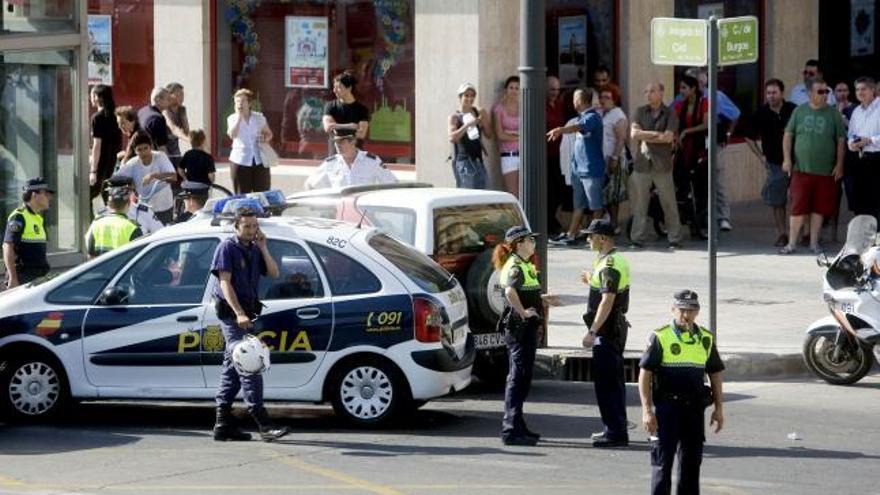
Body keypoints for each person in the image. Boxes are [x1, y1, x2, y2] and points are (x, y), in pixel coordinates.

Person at [210, 207, 290, 442]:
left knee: (232, 366)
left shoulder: (254, 249)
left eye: (255, 226)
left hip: (247, 314)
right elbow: (225, 283)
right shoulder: (227, 247)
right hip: (233, 316)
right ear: (236, 227)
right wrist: (239, 313)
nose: (251, 230)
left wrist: (264, 247)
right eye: (246, 226)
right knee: (249, 361)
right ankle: (263, 422)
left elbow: (274, 273)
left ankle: (222, 424)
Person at [638, 290, 725, 495]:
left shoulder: (705, 338)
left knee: (691, 464)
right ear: (673, 310)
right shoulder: (661, 336)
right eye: (682, 309)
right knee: (662, 463)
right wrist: (647, 411)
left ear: (697, 312)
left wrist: (719, 408)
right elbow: (645, 374)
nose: (686, 314)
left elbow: (715, 373)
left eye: (691, 310)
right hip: (667, 408)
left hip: (694, 409)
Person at [494, 225, 559, 446]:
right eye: (530, 240)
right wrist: (523, 312)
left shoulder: (524, 265)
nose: (534, 243)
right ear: (519, 243)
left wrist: (541, 299)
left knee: (523, 377)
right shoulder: (514, 265)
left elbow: (524, 291)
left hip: (527, 329)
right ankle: (511, 429)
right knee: (517, 378)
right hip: (519, 328)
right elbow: (510, 291)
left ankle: (518, 425)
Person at [780, 78, 846, 254]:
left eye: (826, 91)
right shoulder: (799, 111)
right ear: (810, 93)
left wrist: (839, 164)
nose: (825, 95)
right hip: (801, 170)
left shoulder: (833, 114)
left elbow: (840, 140)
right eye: (820, 91)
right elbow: (788, 135)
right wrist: (787, 159)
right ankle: (791, 243)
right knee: (798, 208)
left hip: (825, 171)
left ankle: (814, 243)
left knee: (819, 209)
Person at [580, 219, 631, 448]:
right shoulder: (607, 261)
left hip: (607, 331)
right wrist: (590, 280)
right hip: (610, 329)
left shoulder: (610, 264)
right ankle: (614, 428)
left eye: (591, 236)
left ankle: (616, 432)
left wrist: (592, 331)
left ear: (602, 238)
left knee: (608, 384)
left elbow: (607, 300)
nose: (588, 240)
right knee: (610, 382)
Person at [546, 88, 605, 247]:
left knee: (596, 206)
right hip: (578, 170)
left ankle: (596, 237)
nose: (572, 102)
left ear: (579, 101)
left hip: (592, 170)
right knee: (578, 205)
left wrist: (560, 130)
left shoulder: (592, 117)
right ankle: (571, 234)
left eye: (574, 99)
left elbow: (578, 127)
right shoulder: (582, 117)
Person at [629, 82, 684, 249]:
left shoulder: (670, 113)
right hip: (642, 164)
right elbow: (634, 134)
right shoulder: (639, 111)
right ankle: (637, 238)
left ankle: (674, 238)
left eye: (652, 91)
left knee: (668, 202)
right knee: (640, 204)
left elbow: (669, 138)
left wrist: (646, 136)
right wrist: (657, 135)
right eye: (646, 91)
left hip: (662, 164)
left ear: (661, 93)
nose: (648, 94)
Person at [745, 79, 797, 247]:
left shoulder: (793, 109)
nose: (771, 96)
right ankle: (782, 233)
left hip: (797, 162)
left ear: (782, 93)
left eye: (774, 92)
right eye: (768, 93)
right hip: (775, 162)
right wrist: (761, 156)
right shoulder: (761, 113)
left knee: (799, 199)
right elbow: (748, 136)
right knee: (778, 201)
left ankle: (802, 233)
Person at [673, 75, 710, 240]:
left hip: (698, 150)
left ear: (693, 88)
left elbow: (706, 124)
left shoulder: (704, 103)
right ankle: (688, 221)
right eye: (680, 88)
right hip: (682, 151)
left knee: (700, 189)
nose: (681, 91)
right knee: (682, 187)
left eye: (684, 88)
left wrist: (687, 131)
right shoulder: (679, 106)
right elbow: (673, 125)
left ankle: (702, 225)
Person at [117, 131, 178, 225]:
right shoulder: (133, 163)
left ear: (151, 146)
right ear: (135, 151)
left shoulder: (160, 157)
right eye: (139, 150)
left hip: (164, 208)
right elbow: (117, 178)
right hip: (145, 210)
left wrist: (153, 175)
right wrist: (129, 185)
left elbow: (173, 176)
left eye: (146, 148)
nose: (144, 152)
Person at [304, 129, 397, 190]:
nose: (337, 145)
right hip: (339, 213)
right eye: (336, 142)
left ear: (353, 141)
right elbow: (309, 184)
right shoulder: (331, 163)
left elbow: (393, 183)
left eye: (341, 141)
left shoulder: (371, 161)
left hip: (363, 213)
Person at [3, 178, 53, 289]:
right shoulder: (18, 216)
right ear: (34, 195)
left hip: (38, 279)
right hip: (22, 280)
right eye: (45, 194)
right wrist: (13, 278)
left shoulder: (38, 218)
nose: (49, 197)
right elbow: (7, 246)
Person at [227, 88, 274, 194]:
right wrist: (239, 118)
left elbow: (269, 133)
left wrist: (265, 138)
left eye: (242, 101)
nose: (239, 104)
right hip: (240, 161)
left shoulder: (259, 117)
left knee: (262, 194)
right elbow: (232, 135)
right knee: (242, 196)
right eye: (237, 102)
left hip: (259, 160)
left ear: (249, 103)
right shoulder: (232, 118)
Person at [847, 76, 880, 223]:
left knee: (877, 203)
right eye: (857, 89)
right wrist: (851, 144)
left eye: (864, 89)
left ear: (873, 90)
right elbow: (850, 135)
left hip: (877, 159)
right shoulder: (856, 112)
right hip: (859, 161)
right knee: (860, 203)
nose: (860, 92)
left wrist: (870, 140)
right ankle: (866, 241)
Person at [448, 82, 492, 189]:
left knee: (483, 196)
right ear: (460, 97)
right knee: (466, 199)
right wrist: (468, 125)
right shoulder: (455, 117)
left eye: (472, 96)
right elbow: (452, 137)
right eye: (466, 95)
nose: (469, 99)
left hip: (478, 160)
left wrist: (483, 124)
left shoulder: (479, 112)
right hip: (464, 163)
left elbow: (489, 135)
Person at [599, 84, 628, 234]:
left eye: (607, 97)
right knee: (605, 194)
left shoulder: (618, 115)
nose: (603, 100)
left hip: (614, 158)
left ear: (614, 99)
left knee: (613, 194)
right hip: (602, 158)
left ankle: (615, 224)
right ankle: (608, 222)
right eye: (602, 96)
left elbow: (621, 139)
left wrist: (614, 158)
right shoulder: (602, 113)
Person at [546, 75, 573, 236]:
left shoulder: (560, 105)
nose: (555, 93)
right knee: (549, 191)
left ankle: (551, 220)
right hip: (546, 155)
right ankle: (550, 222)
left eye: (557, 89)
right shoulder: (540, 105)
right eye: (551, 89)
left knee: (560, 191)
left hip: (560, 154)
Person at [84, 186, 142, 258]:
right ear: (128, 204)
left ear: (109, 204)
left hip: (100, 268)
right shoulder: (133, 228)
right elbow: (139, 258)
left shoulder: (96, 224)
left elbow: (90, 253)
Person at [89, 84, 122, 201]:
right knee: (106, 196)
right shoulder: (116, 115)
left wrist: (93, 171)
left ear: (98, 97)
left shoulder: (97, 118)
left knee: (88, 196)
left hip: (101, 164)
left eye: (92, 94)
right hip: (112, 162)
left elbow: (97, 146)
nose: (90, 97)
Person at [322, 71, 370, 144]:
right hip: (336, 151)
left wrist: (337, 127)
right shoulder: (331, 106)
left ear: (349, 88)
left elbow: (361, 134)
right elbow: (328, 127)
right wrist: (351, 126)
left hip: (355, 152)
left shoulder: (362, 109)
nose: (334, 90)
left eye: (339, 87)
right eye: (334, 87)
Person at [494, 76, 521, 197]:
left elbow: (528, 131)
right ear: (506, 89)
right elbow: (500, 135)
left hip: (524, 155)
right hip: (508, 156)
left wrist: (510, 133)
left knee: (526, 192)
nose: (514, 91)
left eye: (517, 88)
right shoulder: (498, 109)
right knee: (513, 194)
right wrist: (520, 136)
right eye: (511, 87)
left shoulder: (524, 107)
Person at [137, 86, 172, 154]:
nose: (169, 102)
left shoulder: (142, 111)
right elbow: (161, 147)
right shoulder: (158, 119)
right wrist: (166, 163)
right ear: (158, 99)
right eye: (167, 99)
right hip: (150, 156)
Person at [163, 82, 190, 167]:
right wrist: (189, 140)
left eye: (182, 94)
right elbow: (173, 128)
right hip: (162, 147)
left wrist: (183, 117)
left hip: (174, 147)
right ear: (170, 95)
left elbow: (186, 131)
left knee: (179, 170)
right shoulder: (165, 110)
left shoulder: (182, 110)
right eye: (178, 94)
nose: (182, 97)